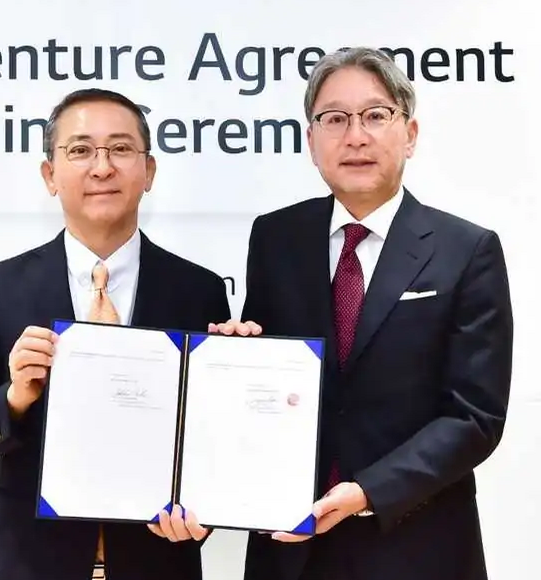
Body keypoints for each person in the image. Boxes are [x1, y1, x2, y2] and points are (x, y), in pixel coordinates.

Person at [211, 47, 514, 580]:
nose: (355, 136)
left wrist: (369, 491)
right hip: (291, 547)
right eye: (334, 119)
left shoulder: (466, 250)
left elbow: (474, 416)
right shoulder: (276, 237)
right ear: (311, 141)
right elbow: (273, 379)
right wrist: (235, 358)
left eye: (375, 115)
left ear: (410, 134)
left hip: (416, 545)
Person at [0, 88, 230, 580]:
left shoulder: (198, 290)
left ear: (149, 171)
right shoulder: (1, 286)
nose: (102, 167)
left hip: (159, 565)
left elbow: (214, 437)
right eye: (80, 150)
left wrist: (206, 509)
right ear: (50, 175)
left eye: (120, 149)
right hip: (30, 566)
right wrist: (15, 397)